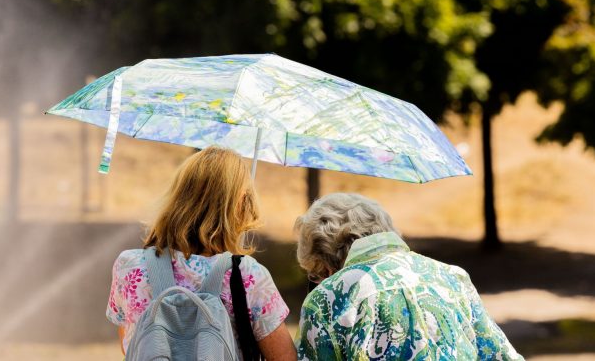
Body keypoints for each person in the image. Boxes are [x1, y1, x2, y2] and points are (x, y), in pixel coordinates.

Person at [107, 146, 297, 360]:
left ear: (178, 195)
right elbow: (284, 357)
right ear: (240, 205)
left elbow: (131, 344)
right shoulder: (247, 276)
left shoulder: (129, 266)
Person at [294, 193, 523, 360]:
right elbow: (501, 356)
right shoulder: (453, 277)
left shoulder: (327, 299)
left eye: (315, 274)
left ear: (325, 265)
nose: (318, 281)